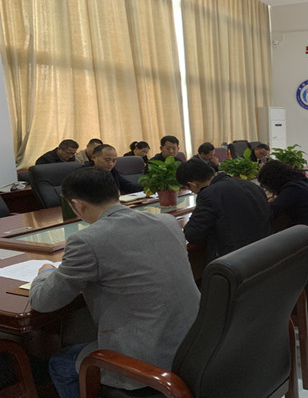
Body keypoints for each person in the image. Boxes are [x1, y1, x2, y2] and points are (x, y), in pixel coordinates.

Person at [29, 167, 200, 396]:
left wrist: (45, 272)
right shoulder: (167, 221)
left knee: (60, 363)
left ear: (77, 205)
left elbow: (43, 301)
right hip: (193, 343)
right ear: (117, 193)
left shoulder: (86, 241)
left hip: (145, 358)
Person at [176, 158, 271, 263]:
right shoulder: (251, 185)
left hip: (234, 261)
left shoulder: (209, 194)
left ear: (192, 184)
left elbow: (192, 234)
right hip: (265, 253)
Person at [257, 160, 308, 228]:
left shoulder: (293, 189)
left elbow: (270, 212)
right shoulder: (304, 182)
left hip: (304, 230)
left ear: (272, 182)